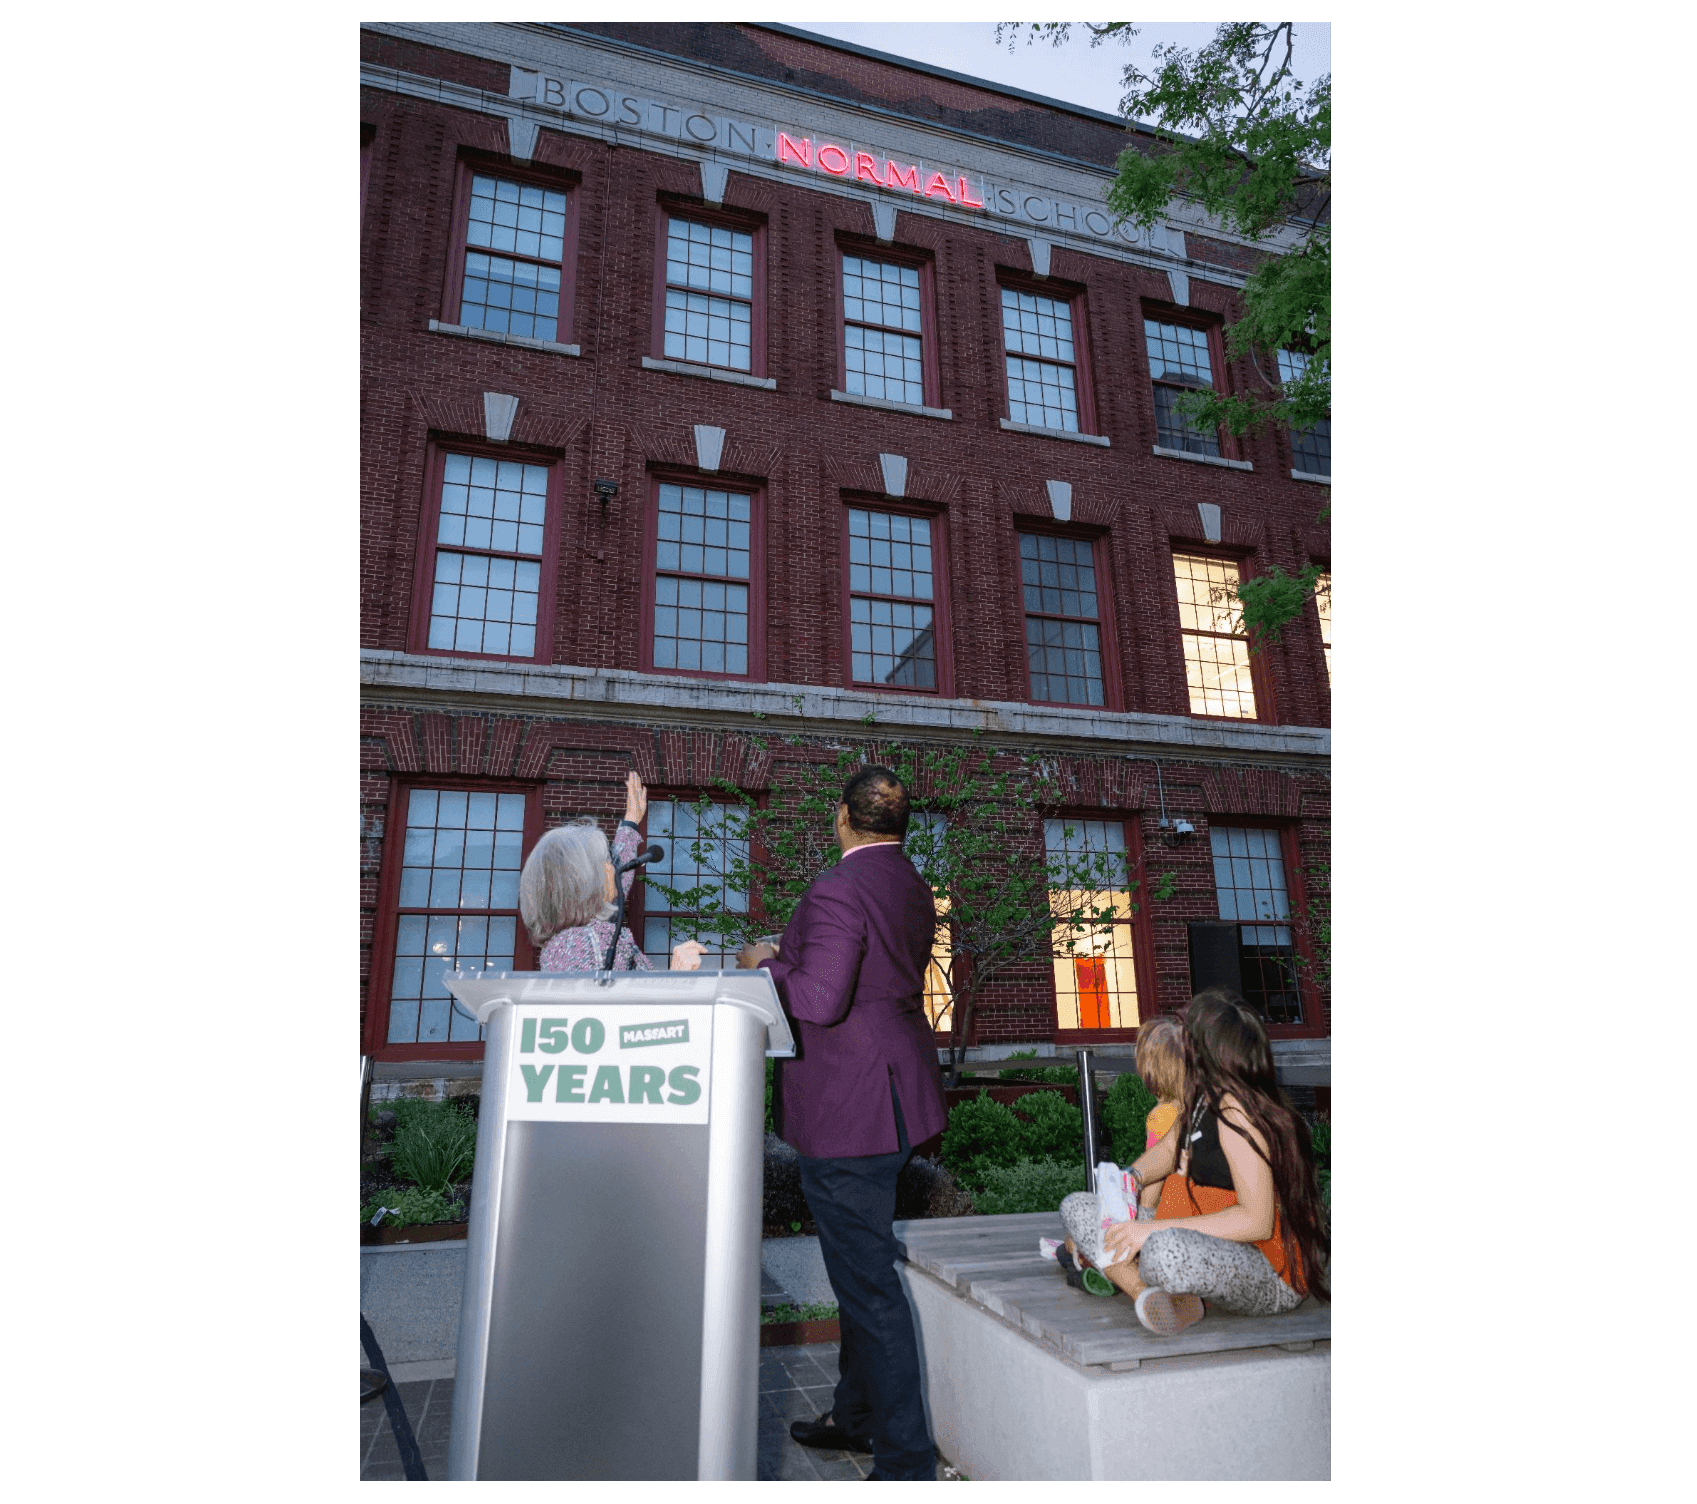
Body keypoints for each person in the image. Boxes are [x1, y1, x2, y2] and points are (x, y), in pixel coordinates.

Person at [737, 765, 946, 1482]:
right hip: (894, 1097)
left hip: (848, 1110)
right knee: (860, 1274)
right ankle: (856, 1419)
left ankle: (907, 1461)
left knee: (869, 1287)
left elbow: (821, 999)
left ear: (841, 818)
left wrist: (765, 964)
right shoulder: (911, 883)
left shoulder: (835, 887)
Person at [1059, 989, 1329, 1336]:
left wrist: (1150, 1229)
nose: (1179, 1040)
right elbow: (1170, 1147)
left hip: (1267, 1272)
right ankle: (1151, 1297)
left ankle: (1155, 1285)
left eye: (1187, 1034)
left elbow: (1257, 1221)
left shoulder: (1239, 1114)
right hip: (1200, 1237)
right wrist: (1132, 1178)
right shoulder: (1201, 1098)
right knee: (1079, 1207)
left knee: (1161, 1250)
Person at [518, 770, 704, 973]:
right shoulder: (580, 944)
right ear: (582, 883)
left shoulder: (578, 937)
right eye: (604, 861)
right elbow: (608, 1005)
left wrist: (631, 822)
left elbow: (617, 880)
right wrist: (677, 978)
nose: (610, 866)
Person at [1134, 1014, 1186, 1214]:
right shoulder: (1189, 1108)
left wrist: (1143, 1214)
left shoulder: (1162, 1115)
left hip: (1170, 1211)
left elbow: (1154, 1178)